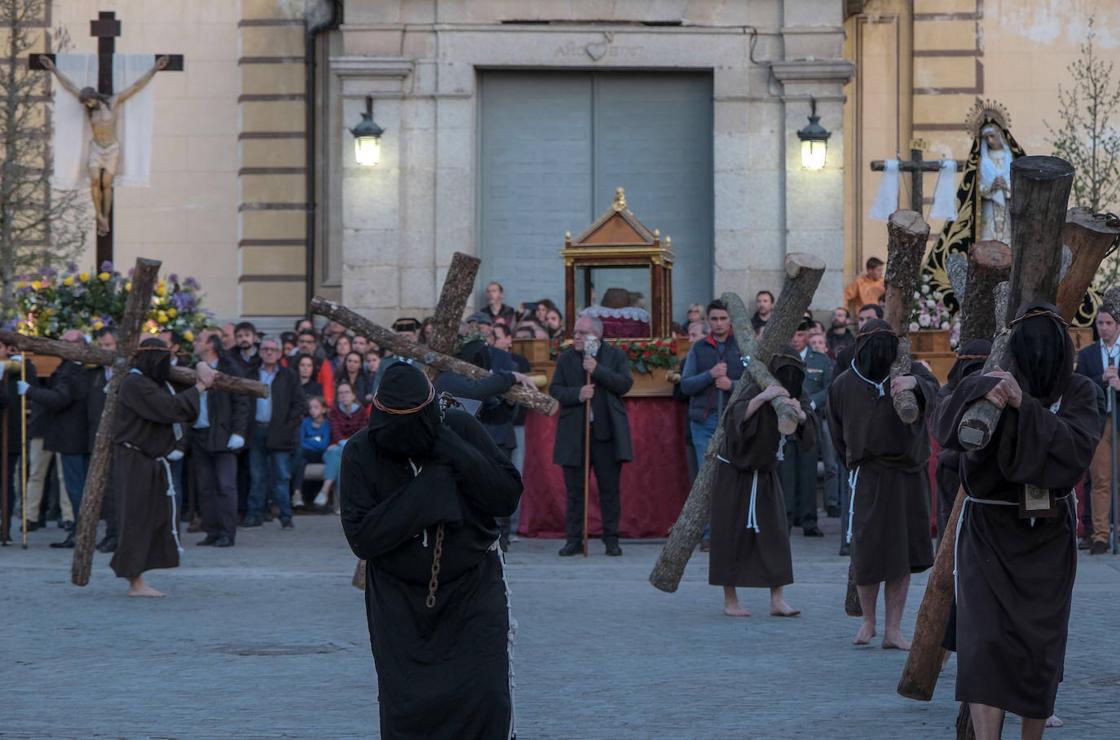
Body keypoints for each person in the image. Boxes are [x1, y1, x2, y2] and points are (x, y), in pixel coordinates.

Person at [936, 303, 1099, 737]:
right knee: (984, 643)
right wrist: (981, 393)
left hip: (1047, 539)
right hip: (989, 534)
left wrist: (1024, 405)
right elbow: (944, 428)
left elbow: (1073, 452)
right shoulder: (987, 384)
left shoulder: (1080, 391)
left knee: (1038, 649)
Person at [339, 362, 521, 738]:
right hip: (398, 602)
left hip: (472, 589)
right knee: (408, 708)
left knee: (484, 696)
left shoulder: (459, 428)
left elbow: (505, 495)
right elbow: (362, 537)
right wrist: (431, 491)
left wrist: (454, 452)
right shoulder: (360, 451)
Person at [828, 318, 938, 648]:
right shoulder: (844, 384)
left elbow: (939, 395)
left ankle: (893, 629)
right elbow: (836, 433)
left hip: (906, 476)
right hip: (869, 476)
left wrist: (916, 386)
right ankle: (868, 622)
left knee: (900, 556)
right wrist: (856, 462)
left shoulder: (913, 373)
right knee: (869, 553)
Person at [710, 349, 810, 618]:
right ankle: (730, 600)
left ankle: (777, 598)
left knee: (775, 535)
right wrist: (762, 398)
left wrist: (801, 418)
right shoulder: (755, 386)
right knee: (730, 535)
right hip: (735, 473)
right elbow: (733, 420)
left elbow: (807, 433)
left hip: (765, 473)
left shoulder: (796, 391)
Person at [109, 339, 212, 597]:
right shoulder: (135, 384)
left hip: (148, 461)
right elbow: (169, 408)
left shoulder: (149, 381)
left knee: (152, 518)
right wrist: (200, 387)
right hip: (134, 462)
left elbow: (181, 377)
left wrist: (200, 364)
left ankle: (138, 575)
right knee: (135, 519)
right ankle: (135, 581)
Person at [39, 54, 169, 235]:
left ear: (94, 97)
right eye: (85, 103)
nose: (88, 105)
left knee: (106, 184)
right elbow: (69, 86)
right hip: (96, 148)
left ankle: (105, 217)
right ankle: (98, 215)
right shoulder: (88, 107)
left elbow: (136, 87)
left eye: (89, 101)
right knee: (94, 183)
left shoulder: (111, 102)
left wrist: (154, 69)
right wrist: (53, 69)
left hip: (111, 149)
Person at [550, 315, 633, 556]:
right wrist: (578, 393)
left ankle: (611, 539)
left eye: (582, 333)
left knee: (609, 490)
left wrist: (597, 370)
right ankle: (574, 540)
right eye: (575, 332)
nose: (576, 336)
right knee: (575, 491)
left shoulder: (614, 356)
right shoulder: (566, 359)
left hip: (606, 434)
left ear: (597, 335)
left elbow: (624, 384)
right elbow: (555, 389)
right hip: (575, 434)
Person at [22, 329, 95, 549]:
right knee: (73, 484)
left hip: (71, 437)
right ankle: (76, 530)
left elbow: (60, 398)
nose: (62, 345)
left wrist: (31, 391)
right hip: (71, 435)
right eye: (61, 341)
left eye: (68, 342)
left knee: (75, 487)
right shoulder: (70, 368)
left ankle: (78, 532)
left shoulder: (73, 369)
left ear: (81, 346)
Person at [191, 331, 249, 548]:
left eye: (199, 340)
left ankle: (227, 532)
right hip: (199, 433)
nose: (195, 343)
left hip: (223, 434)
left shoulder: (229, 367)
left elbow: (241, 400)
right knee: (205, 487)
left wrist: (238, 432)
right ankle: (212, 531)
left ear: (210, 345)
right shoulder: (193, 367)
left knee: (225, 486)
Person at [244, 337, 306, 530]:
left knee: (281, 477)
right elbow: (244, 402)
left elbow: (299, 405)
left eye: (273, 349)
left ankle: (286, 517)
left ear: (280, 353)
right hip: (256, 430)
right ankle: (255, 515)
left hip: (280, 433)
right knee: (257, 476)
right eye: (265, 349)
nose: (269, 352)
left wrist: (288, 427)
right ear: (260, 352)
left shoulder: (289, 375)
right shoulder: (251, 374)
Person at [1075, 302, 1120, 555]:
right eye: (1100, 323)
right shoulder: (1088, 355)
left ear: (1118, 325)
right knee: (1101, 479)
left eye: (1108, 323)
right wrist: (1101, 380)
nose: (1103, 328)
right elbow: (1080, 387)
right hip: (1100, 422)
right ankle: (1100, 534)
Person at [780, 321, 831, 536]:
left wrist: (811, 403)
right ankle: (786, 519)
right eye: (792, 333)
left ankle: (809, 521)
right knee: (786, 473)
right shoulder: (780, 360)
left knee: (809, 472)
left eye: (800, 334)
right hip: (785, 421)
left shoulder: (820, 360)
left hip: (809, 420)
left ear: (808, 336)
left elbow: (830, 388)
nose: (795, 338)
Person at [680, 299, 744, 469]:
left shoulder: (742, 347)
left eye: (723, 318)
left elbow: (755, 386)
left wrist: (731, 385)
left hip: (735, 419)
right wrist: (710, 375)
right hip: (704, 421)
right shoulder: (698, 348)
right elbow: (686, 385)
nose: (719, 323)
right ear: (707, 320)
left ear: (730, 320)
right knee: (706, 475)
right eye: (714, 319)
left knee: (733, 475)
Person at [87, 328, 121, 553]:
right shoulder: (95, 373)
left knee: (119, 490)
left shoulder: (127, 373)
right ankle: (111, 533)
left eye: (109, 345)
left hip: (121, 439)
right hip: (99, 439)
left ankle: (119, 534)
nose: (105, 350)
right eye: (103, 345)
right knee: (106, 491)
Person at [0, 339, 37, 539]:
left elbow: (31, 383)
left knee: (6, 482)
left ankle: (4, 526)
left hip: (10, 434)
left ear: (7, 349)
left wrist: (21, 362)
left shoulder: (19, 368)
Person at [318, 382, 370, 510]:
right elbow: (335, 432)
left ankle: (325, 489)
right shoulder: (334, 412)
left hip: (354, 451)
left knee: (338, 453)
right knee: (338, 454)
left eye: (347, 392)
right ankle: (343, 504)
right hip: (336, 451)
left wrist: (345, 445)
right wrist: (344, 445)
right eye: (340, 393)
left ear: (353, 395)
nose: (343, 395)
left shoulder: (361, 412)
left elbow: (361, 434)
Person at [293, 396, 331, 509]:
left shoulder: (327, 424)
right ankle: (297, 493)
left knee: (300, 453)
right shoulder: (305, 422)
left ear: (323, 409)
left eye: (316, 407)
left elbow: (323, 445)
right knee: (301, 461)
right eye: (310, 408)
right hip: (305, 455)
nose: (312, 410)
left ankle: (296, 493)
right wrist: (316, 440)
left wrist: (309, 440)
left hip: (319, 455)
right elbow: (300, 441)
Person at [296, 331, 334, 406]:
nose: (304, 344)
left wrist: (326, 406)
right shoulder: (287, 361)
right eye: (302, 341)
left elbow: (327, 387)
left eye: (309, 342)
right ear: (297, 343)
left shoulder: (322, 363)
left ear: (314, 345)